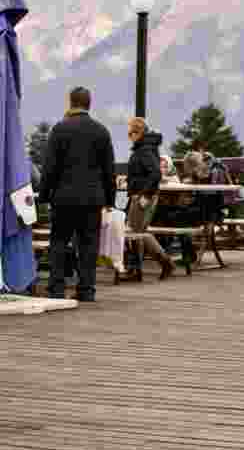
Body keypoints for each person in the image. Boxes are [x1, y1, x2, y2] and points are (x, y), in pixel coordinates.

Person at [38, 87, 115, 302]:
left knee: (59, 242)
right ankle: (86, 289)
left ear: (70, 103)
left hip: (63, 198)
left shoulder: (60, 129)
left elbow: (50, 168)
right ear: (89, 104)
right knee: (89, 244)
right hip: (92, 199)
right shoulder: (101, 131)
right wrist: (110, 199)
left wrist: (43, 196)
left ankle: (56, 288)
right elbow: (109, 170)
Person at [124, 118, 176, 280]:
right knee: (138, 232)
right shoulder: (146, 148)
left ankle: (162, 263)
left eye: (130, 132)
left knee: (136, 233)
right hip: (142, 194)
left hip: (142, 196)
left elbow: (155, 173)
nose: (129, 136)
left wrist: (145, 195)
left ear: (137, 132)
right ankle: (137, 269)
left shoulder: (144, 150)